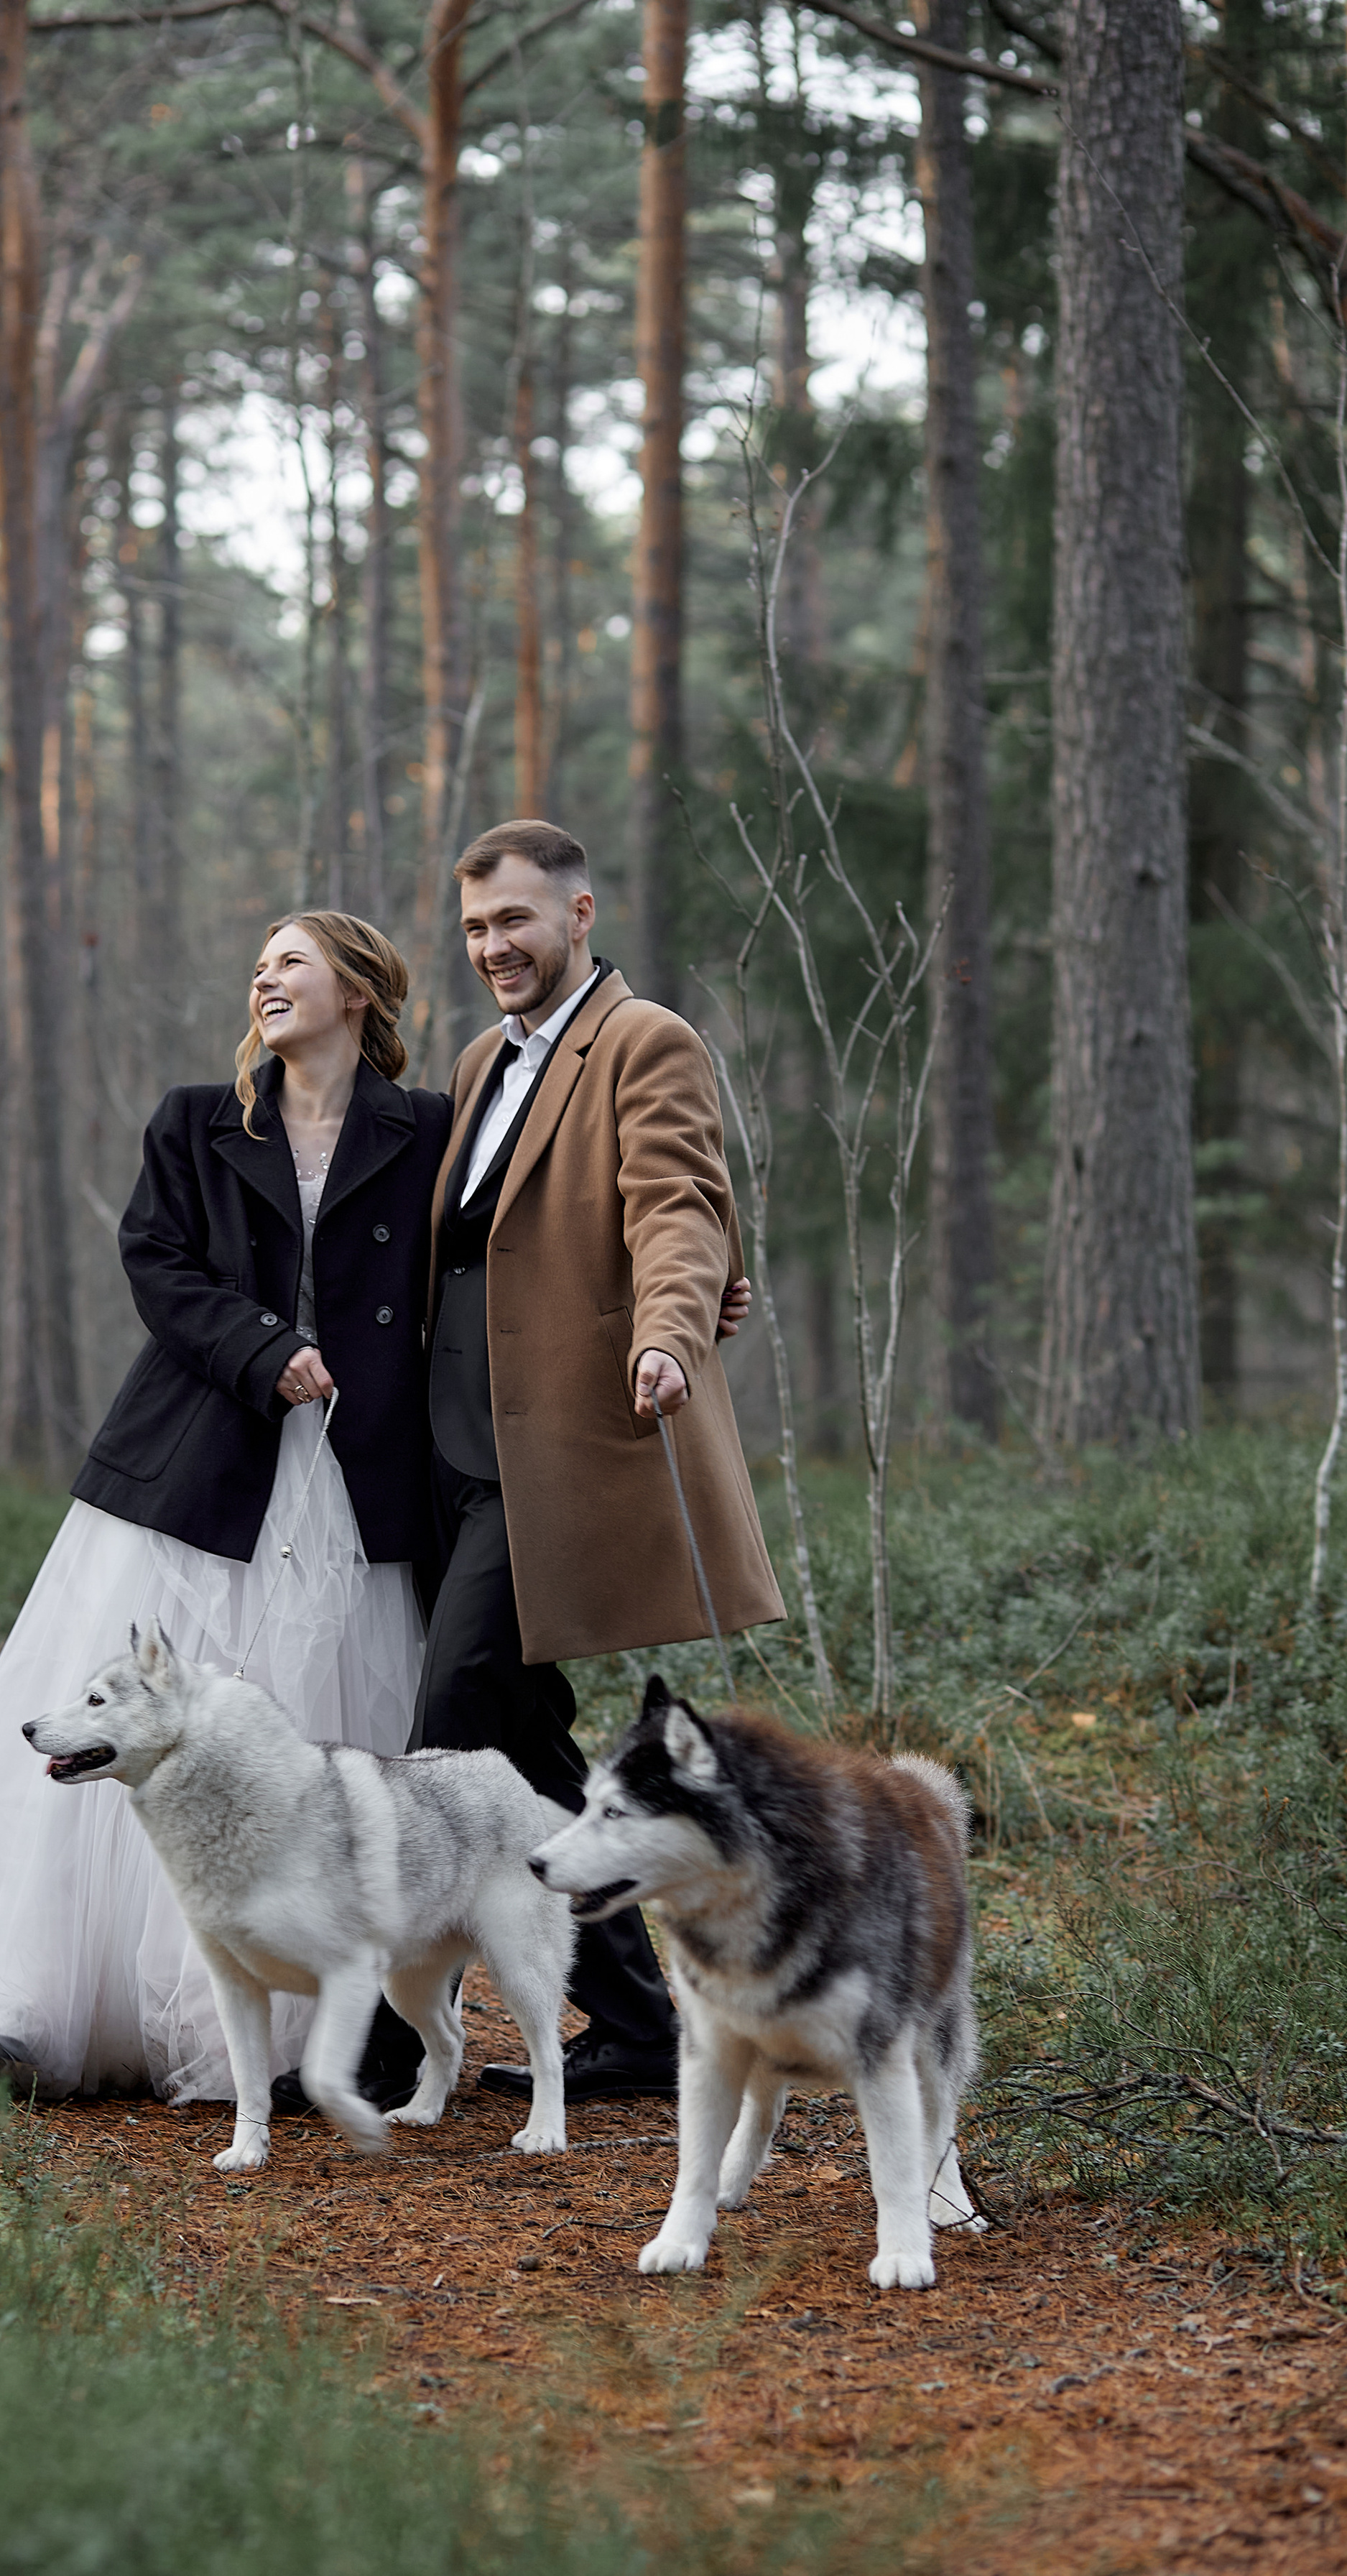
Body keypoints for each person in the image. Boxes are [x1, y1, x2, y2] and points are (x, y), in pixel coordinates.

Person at [0, 912, 451, 2103]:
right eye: (259, 965)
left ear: (358, 989)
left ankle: (298, 2045)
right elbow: (158, 1266)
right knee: (129, 1720)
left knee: (314, 1746)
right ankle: (25, 2010)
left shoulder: (428, 1131)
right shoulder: (198, 1121)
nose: (264, 977)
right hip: (197, 1471)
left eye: (290, 960)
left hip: (362, 1477)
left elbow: (503, 1255)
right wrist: (265, 1348)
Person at [402, 816, 784, 2107]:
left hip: (551, 1456)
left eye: (513, 920)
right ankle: (634, 2022)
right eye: (473, 929)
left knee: (450, 1723)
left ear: (580, 915)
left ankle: (395, 2047)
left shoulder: (645, 1042)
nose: (492, 947)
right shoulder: (474, 1065)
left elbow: (680, 1206)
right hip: (448, 1455)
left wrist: (678, 1327)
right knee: (521, 1746)